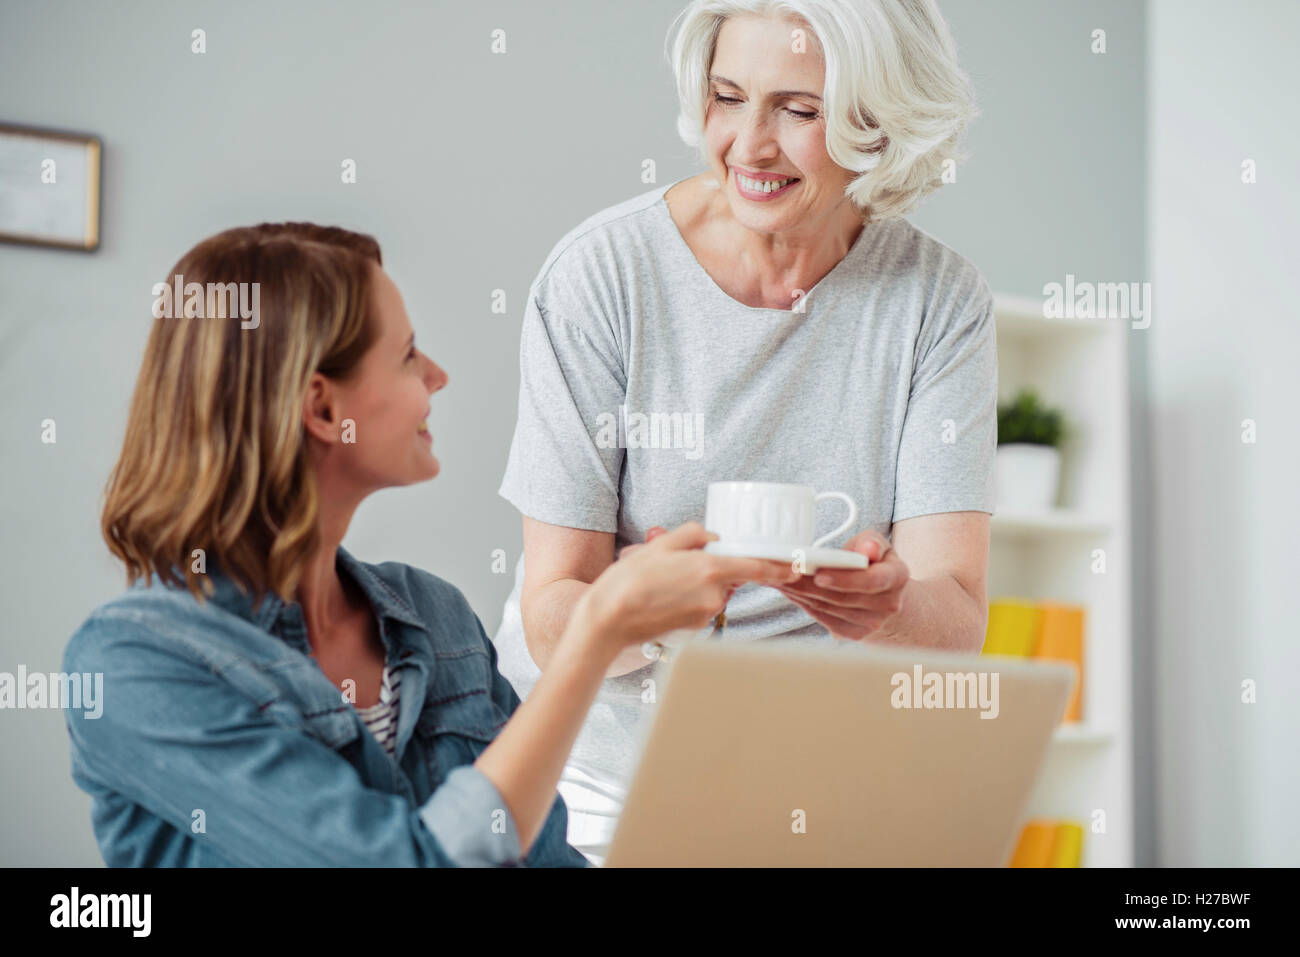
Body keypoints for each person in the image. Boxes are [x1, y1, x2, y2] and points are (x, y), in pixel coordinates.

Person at [62, 223, 798, 867]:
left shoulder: (435, 618)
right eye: (409, 354)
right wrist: (596, 634)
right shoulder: (134, 666)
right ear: (322, 406)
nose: (438, 376)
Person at [493, 0, 996, 865]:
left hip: (817, 782)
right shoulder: (602, 277)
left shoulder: (937, 301)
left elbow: (955, 611)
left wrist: (886, 609)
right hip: (597, 784)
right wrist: (653, 614)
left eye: (797, 111)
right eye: (728, 98)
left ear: (879, 119)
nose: (747, 145)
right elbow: (551, 612)